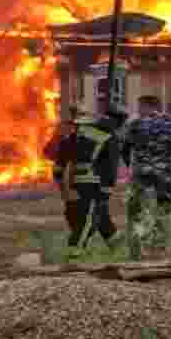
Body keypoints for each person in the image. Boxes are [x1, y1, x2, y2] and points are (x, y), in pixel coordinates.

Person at [122, 95, 171, 259]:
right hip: (165, 173)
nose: (138, 111)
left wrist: (130, 166)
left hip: (141, 173)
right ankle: (159, 246)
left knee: (135, 212)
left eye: (140, 107)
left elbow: (124, 148)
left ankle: (136, 250)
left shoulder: (135, 124)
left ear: (146, 106)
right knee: (164, 210)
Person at [52, 104, 126, 248]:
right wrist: (106, 190)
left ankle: (118, 247)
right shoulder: (108, 138)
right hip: (94, 187)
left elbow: (57, 168)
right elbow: (111, 167)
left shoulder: (71, 138)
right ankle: (74, 255)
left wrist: (63, 189)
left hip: (75, 186)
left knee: (100, 218)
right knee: (86, 223)